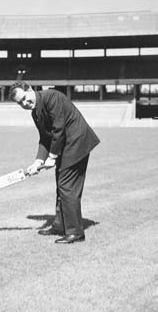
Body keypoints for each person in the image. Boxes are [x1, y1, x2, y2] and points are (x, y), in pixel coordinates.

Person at [9, 81, 100, 244]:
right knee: (61, 185)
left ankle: (75, 233)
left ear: (29, 89)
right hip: (66, 145)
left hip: (77, 142)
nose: (24, 103)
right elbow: (45, 138)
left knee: (67, 187)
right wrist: (38, 161)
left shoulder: (52, 97)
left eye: (24, 98)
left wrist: (51, 157)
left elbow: (59, 129)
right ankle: (60, 225)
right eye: (20, 103)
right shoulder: (35, 113)